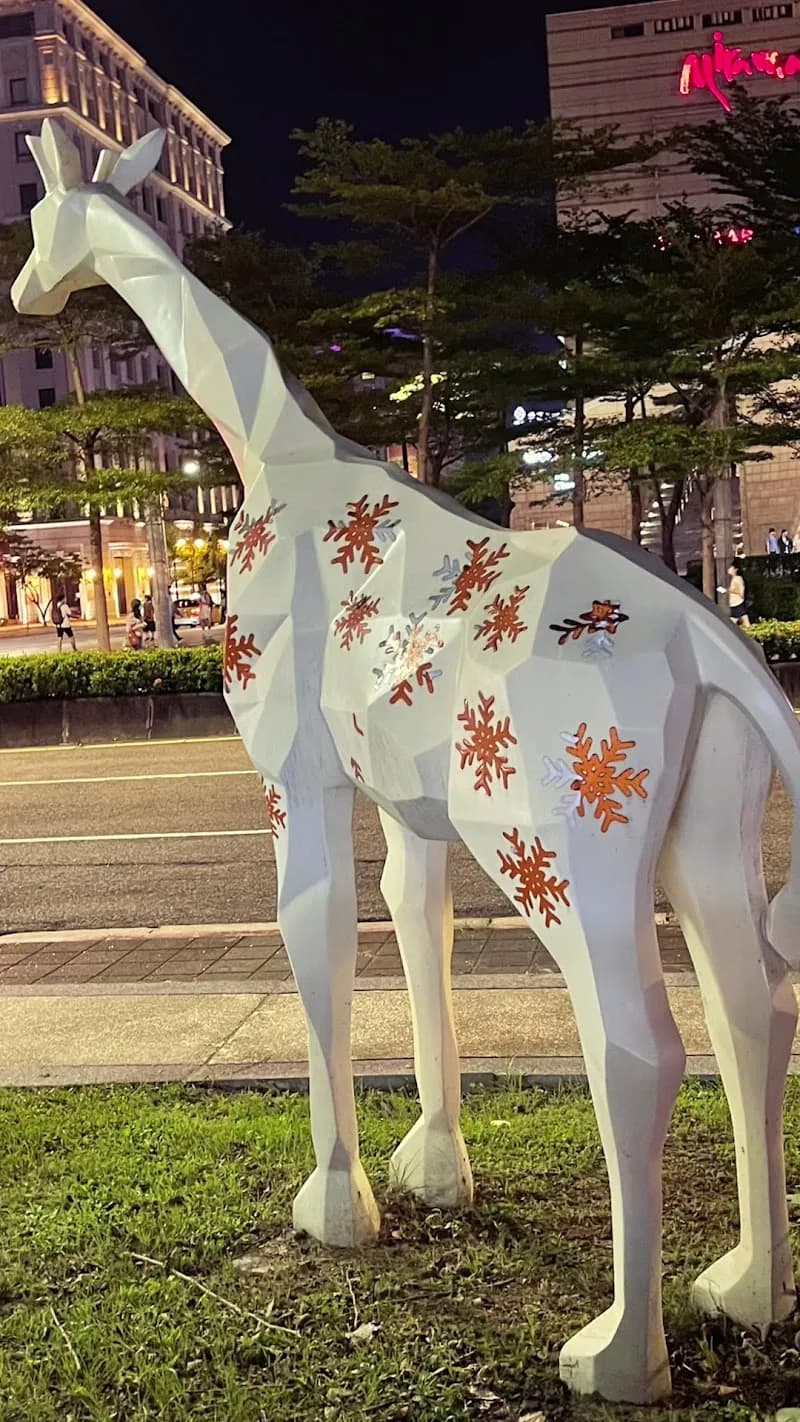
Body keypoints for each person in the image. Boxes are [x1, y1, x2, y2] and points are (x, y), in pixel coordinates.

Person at [728, 560, 750, 627]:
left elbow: (741, 591)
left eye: (731, 568)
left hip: (738, 603)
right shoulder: (734, 578)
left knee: (745, 621)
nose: (729, 569)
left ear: (735, 569)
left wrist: (731, 591)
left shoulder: (738, 578)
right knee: (733, 621)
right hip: (734, 604)